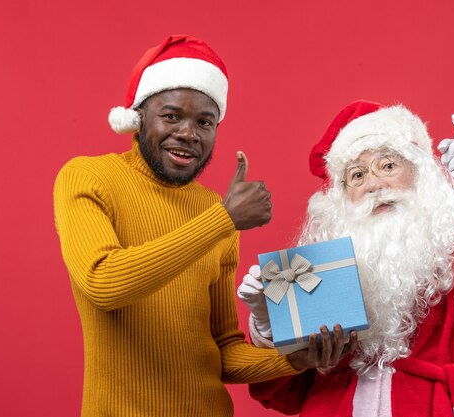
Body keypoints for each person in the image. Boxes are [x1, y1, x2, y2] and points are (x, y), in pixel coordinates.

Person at [53, 35, 356, 417]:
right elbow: (105, 283)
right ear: (138, 117)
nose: (188, 133)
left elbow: (222, 350)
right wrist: (223, 220)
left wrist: (296, 359)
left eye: (205, 121)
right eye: (171, 115)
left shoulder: (212, 208)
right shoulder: (86, 177)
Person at [237, 100, 454, 417]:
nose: (374, 184)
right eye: (357, 175)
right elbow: (282, 395)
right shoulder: (322, 274)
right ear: (341, 197)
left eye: (388, 166)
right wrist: (270, 324)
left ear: (420, 173)